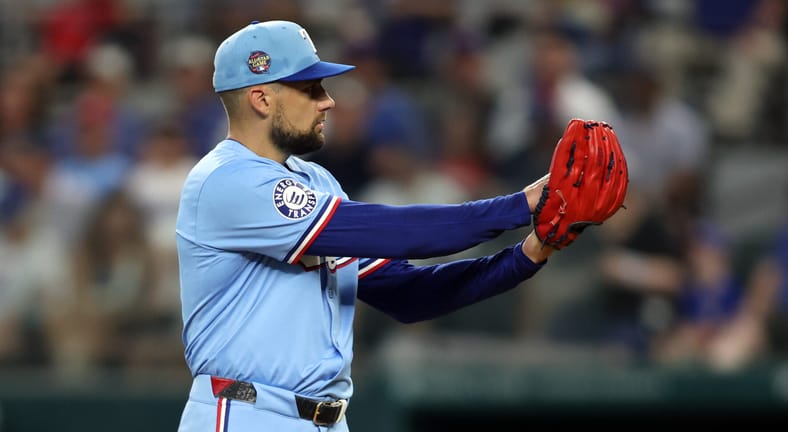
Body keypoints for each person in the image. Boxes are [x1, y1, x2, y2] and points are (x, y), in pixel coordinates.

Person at [176, 20, 558, 432]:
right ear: (261, 99)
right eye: (310, 89)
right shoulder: (225, 180)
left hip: (325, 419)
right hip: (247, 414)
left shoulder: (316, 181)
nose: (328, 102)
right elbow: (397, 232)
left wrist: (529, 252)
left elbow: (411, 295)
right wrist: (522, 205)